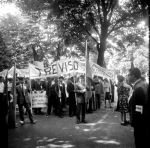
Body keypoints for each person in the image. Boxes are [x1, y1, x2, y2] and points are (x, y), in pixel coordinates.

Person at [128, 68, 149, 148]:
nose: (128, 77)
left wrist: (135, 121)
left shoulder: (139, 87)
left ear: (133, 76)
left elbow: (139, 107)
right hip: (144, 119)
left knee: (140, 141)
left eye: (129, 75)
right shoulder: (143, 84)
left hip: (140, 121)